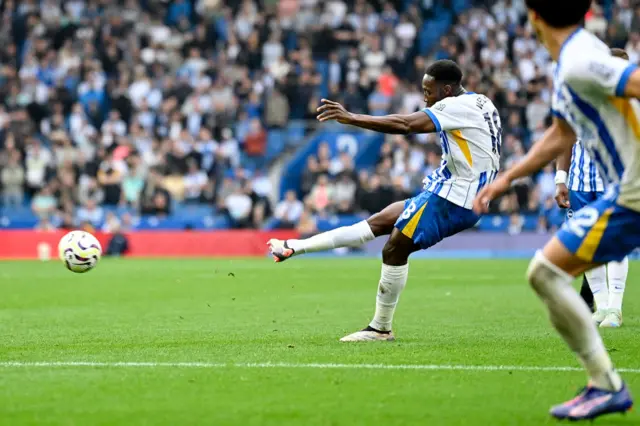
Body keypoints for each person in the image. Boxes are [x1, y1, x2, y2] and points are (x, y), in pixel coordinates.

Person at [473, 0, 639, 420]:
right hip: (623, 193)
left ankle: (605, 383)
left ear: (533, 17)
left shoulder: (583, 59)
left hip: (632, 194)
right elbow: (561, 134)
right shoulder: (570, 61)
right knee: (545, 272)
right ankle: (605, 385)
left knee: (545, 274)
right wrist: (508, 177)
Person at [269, 60, 502, 342]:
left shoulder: (454, 106)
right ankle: (295, 247)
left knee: (393, 249)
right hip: (454, 190)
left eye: (429, 91)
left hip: (456, 198)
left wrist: (351, 118)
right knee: (378, 222)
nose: (424, 97)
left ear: (447, 89)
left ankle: (380, 328)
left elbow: (405, 123)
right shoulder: (482, 102)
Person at [555, 48, 630, 328]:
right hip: (580, 183)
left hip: (616, 182)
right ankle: (599, 304)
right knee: (584, 244)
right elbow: (566, 138)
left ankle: (615, 307)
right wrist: (560, 177)